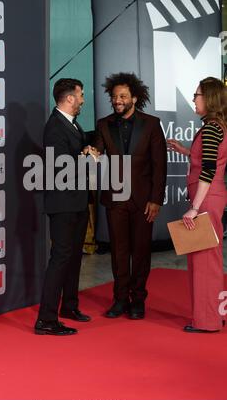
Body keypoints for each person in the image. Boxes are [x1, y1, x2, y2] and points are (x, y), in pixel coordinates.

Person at [92, 73, 167, 319]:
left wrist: (156, 199)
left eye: (123, 96)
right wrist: (91, 151)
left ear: (134, 97)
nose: (117, 100)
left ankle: (138, 300)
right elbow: (98, 151)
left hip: (144, 200)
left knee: (142, 252)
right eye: (114, 97)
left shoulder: (152, 124)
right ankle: (120, 299)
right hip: (115, 200)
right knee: (119, 252)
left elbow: (159, 165)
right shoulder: (104, 124)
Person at [167, 76, 227, 333]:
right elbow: (207, 158)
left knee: (203, 261)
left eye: (197, 95)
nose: (194, 99)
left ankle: (207, 321)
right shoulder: (214, 126)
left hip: (207, 199)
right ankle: (214, 313)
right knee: (208, 259)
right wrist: (186, 150)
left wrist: (195, 207)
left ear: (210, 98)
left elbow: (209, 169)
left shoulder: (212, 128)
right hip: (211, 197)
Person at [34, 78, 91, 336]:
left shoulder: (72, 124)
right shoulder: (55, 127)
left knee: (74, 256)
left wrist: (84, 150)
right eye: (80, 95)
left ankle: (69, 306)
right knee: (60, 258)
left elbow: (73, 154)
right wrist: (85, 157)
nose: (82, 99)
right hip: (62, 202)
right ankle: (46, 319)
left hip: (77, 201)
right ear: (69, 98)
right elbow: (60, 166)